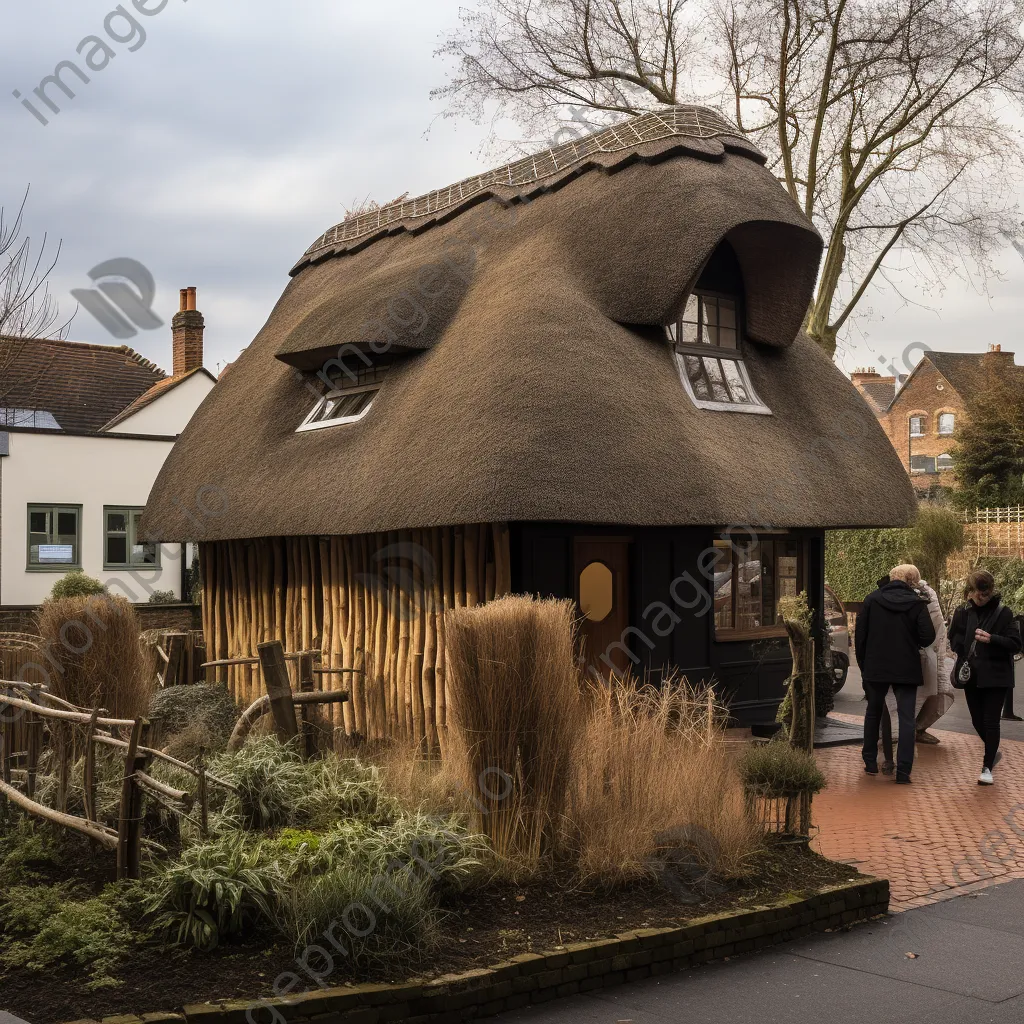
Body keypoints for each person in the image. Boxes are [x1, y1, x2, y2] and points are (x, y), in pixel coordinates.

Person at [855, 565, 936, 783]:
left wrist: (864, 666)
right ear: (912, 582)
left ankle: (871, 762)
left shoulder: (872, 600)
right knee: (906, 718)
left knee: (873, 712)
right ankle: (903, 771)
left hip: (876, 666)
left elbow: (860, 636)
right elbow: (928, 637)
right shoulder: (918, 604)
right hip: (906, 667)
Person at [948, 570, 1022, 785]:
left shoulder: (1004, 613)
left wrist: (992, 639)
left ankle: (987, 766)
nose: (982, 599)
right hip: (971, 674)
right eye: (978, 595)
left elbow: (1016, 644)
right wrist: (962, 647)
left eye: (986, 595)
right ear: (970, 591)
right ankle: (993, 750)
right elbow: (955, 639)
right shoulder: (962, 612)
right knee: (976, 720)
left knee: (991, 722)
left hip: (997, 675)